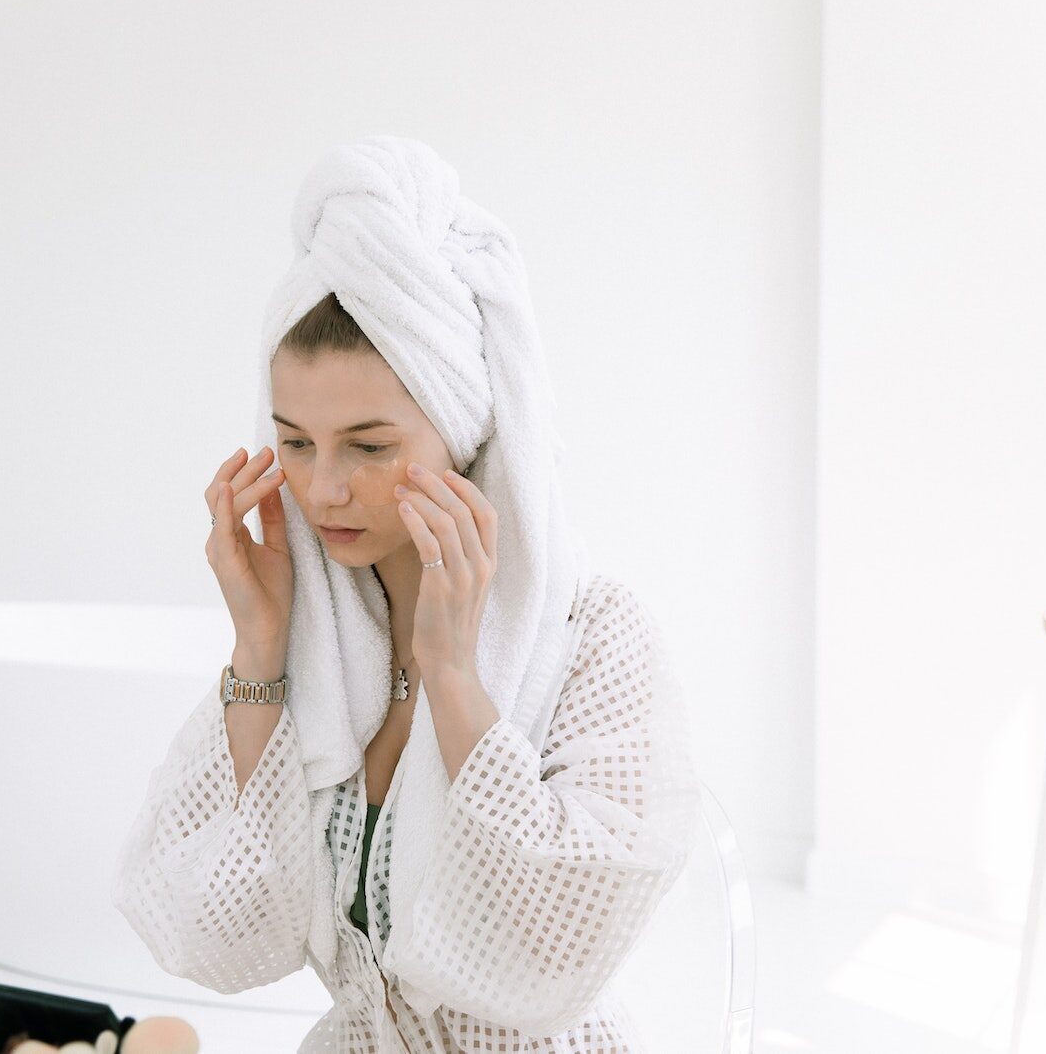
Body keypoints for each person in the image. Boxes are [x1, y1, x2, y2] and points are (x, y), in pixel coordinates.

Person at [113, 138, 706, 1053]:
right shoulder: (318, 637)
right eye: (297, 444)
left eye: (370, 445)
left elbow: (564, 940)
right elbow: (212, 926)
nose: (323, 490)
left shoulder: (595, 633)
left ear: (461, 432)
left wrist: (456, 675)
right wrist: (260, 650)